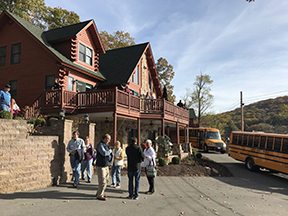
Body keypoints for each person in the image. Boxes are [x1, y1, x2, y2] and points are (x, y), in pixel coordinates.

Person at [95, 134, 113, 201]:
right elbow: (104, 153)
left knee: (106, 180)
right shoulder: (100, 145)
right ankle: (99, 195)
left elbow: (110, 155)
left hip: (106, 165)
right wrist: (110, 151)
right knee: (102, 181)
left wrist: (110, 162)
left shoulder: (107, 145)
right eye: (108, 139)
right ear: (105, 138)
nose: (109, 140)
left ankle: (100, 192)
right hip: (101, 165)